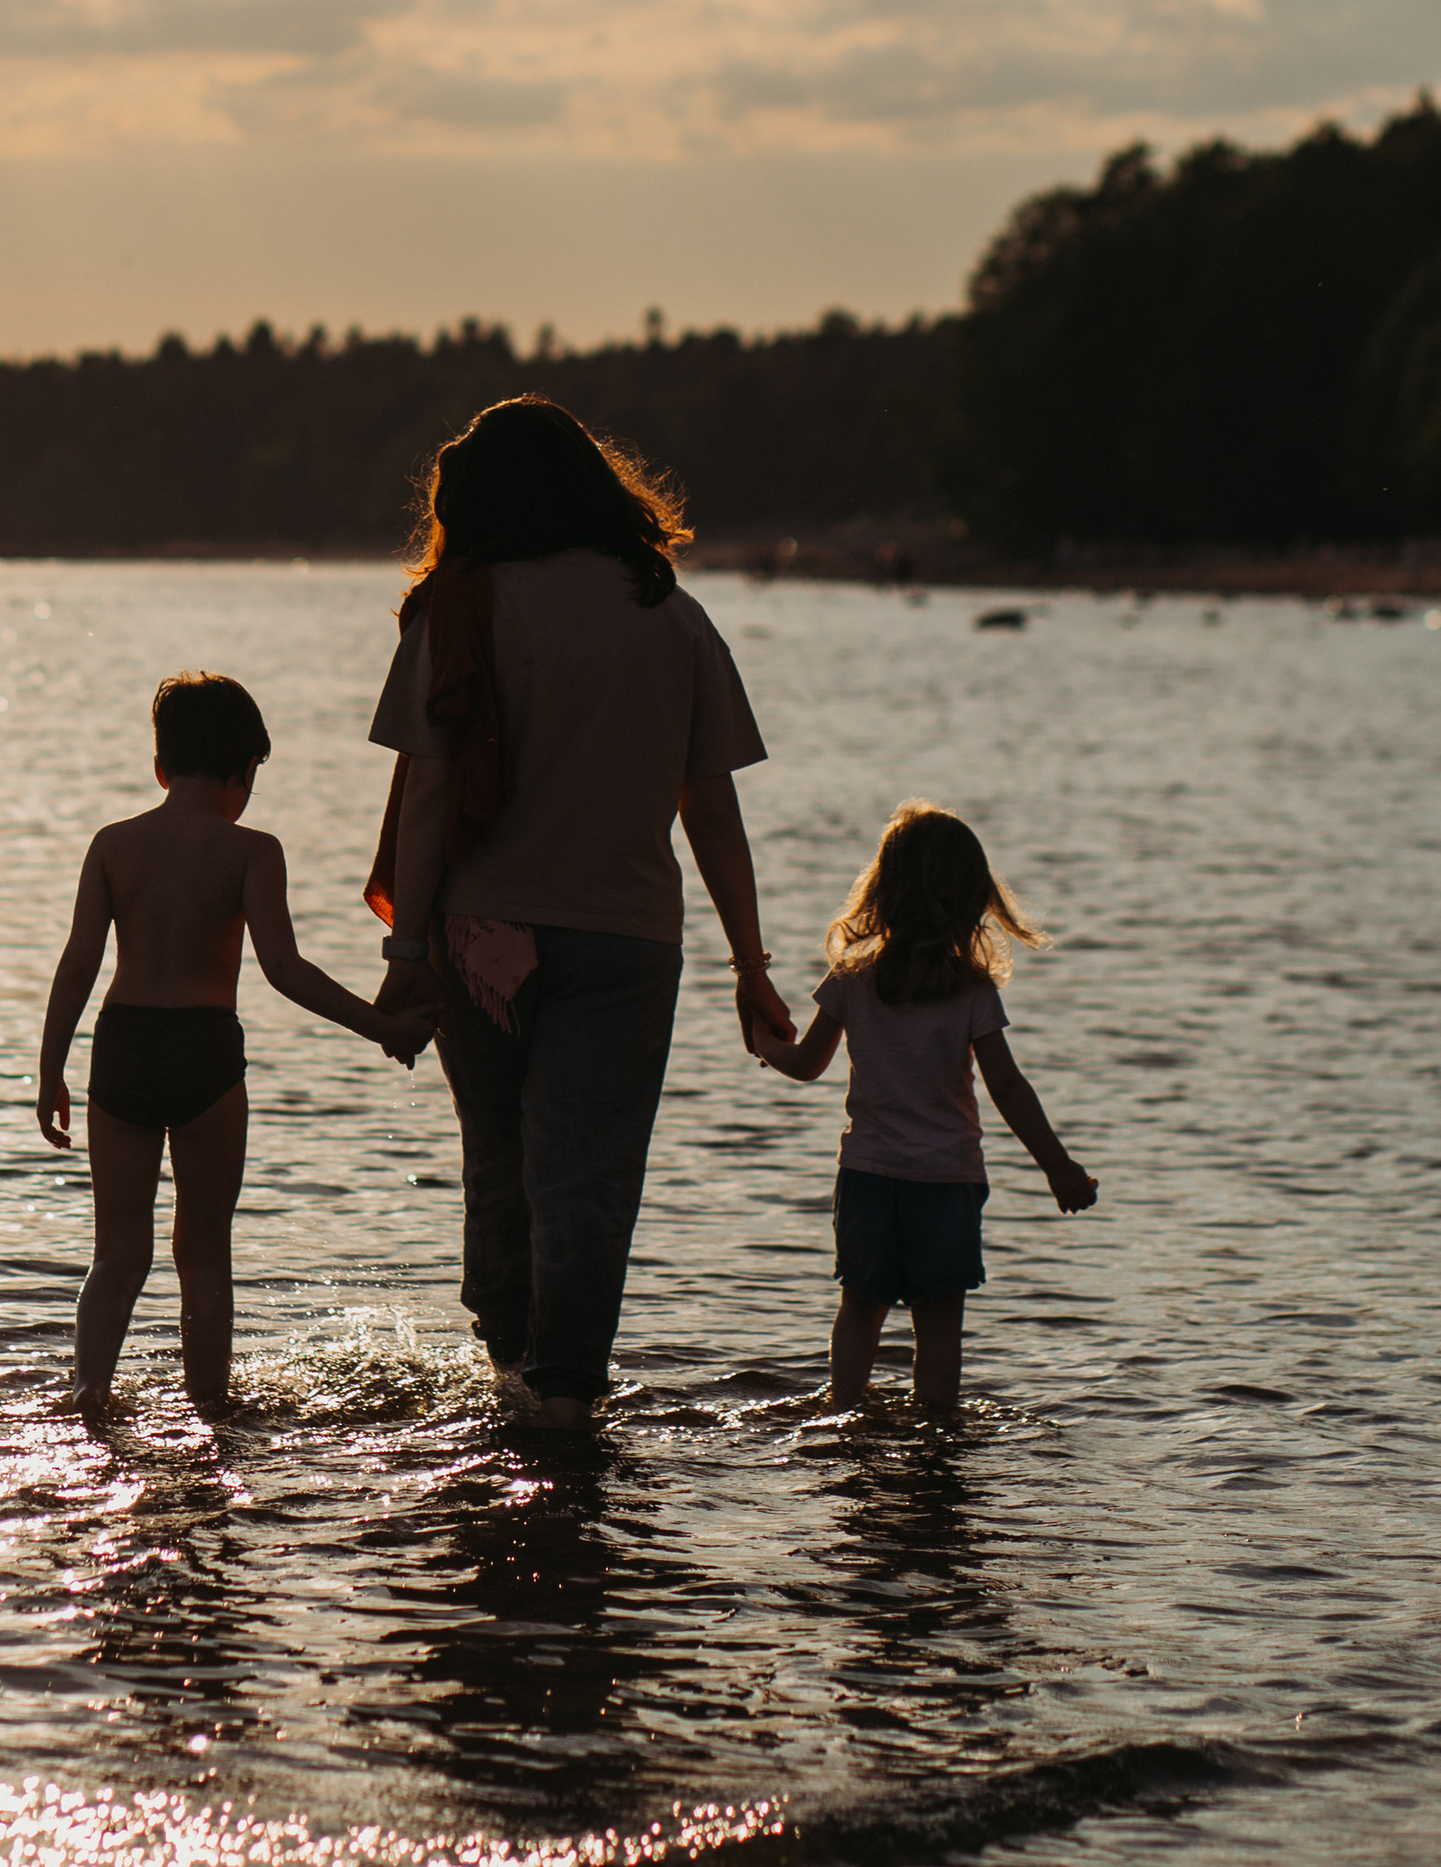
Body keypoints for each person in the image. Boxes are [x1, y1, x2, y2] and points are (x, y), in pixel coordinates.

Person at [368, 394, 794, 1426]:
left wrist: (409, 945)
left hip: (481, 937)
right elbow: (711, 804)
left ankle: (505, 1368)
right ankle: (565, 1393)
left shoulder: (457, 611)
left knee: (500, 1159)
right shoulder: (671, 614)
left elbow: (426, 795)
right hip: (626, 936)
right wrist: (749, 962)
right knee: (586, 1173)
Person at [37, 669, 423, 1420]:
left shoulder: (114, 845)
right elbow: (284, 970)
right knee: (203, 1254)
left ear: (160, 765)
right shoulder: (252, 851)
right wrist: (380, 1026)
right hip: (205, 1048)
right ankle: (209, 1407)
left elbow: (78, 961)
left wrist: (51, 1069)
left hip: (123, 1046)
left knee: (116, 1254)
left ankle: (88, 1395)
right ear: (245, 770)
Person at [757, 800, 1096, 1414]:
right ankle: (938, 1436)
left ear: (884, 890)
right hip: (945, 1182)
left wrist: (763, 1043)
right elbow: (1009, 1088)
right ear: (971, 899)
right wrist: (1057, 1166)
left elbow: (807, 1065)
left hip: (867, 1177)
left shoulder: (851, 979)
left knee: (860, 1308)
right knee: (939, 1325)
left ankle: (843, 1416)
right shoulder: (970, 990)